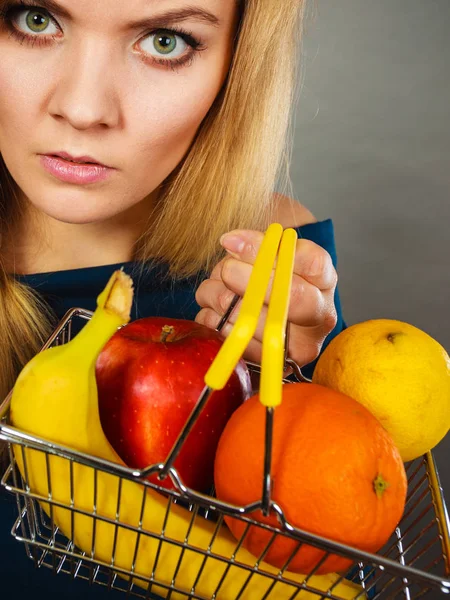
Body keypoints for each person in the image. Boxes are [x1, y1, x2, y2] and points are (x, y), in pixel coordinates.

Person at [0, 0, 346, 597]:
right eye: (34, 19)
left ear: (236, 67)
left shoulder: (271, 266)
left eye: (165, 41)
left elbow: (334, 555)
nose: (83, 110)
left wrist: (288, 394)